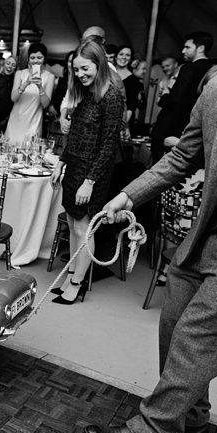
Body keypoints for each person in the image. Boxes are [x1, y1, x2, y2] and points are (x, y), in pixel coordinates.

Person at [86, 68, 217, 433]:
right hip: (205, 233)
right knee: (173, 325)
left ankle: (154, 431)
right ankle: (192, 420)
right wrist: (129, 195)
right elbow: (182, 155)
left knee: (197, 336)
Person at [48, 40, 126, 305]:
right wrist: (61, 162)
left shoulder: (112, 96)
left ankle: (77, 284)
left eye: (85, 69)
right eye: (76, 70)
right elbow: (78, 136)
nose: (80, 75)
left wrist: (89, 182)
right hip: (75, 168)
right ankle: (71, 275)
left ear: (99, 64)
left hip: (93, 174)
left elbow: (108, 145)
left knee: (84, 229)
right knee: (72, 224)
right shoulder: (85, 92)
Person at [153, 32, 216, 160]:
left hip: (175, 126)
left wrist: (165, 95)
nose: (183, 51)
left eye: (187, 47)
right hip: (196, 127)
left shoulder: (189, 68)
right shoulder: (212, 69)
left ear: (200, 49)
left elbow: (175, 100)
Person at [7, 42, 56, 144]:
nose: (35, 61)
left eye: (39, 57)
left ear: (44, 58)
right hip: (16, 120)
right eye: (32, 58)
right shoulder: (20, 73)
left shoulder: (49, 76)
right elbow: (13, 98)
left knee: (30, 152)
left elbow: (45, 104)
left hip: (34, 121)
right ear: (28, 59)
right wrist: (26, 83)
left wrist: (40, 87)